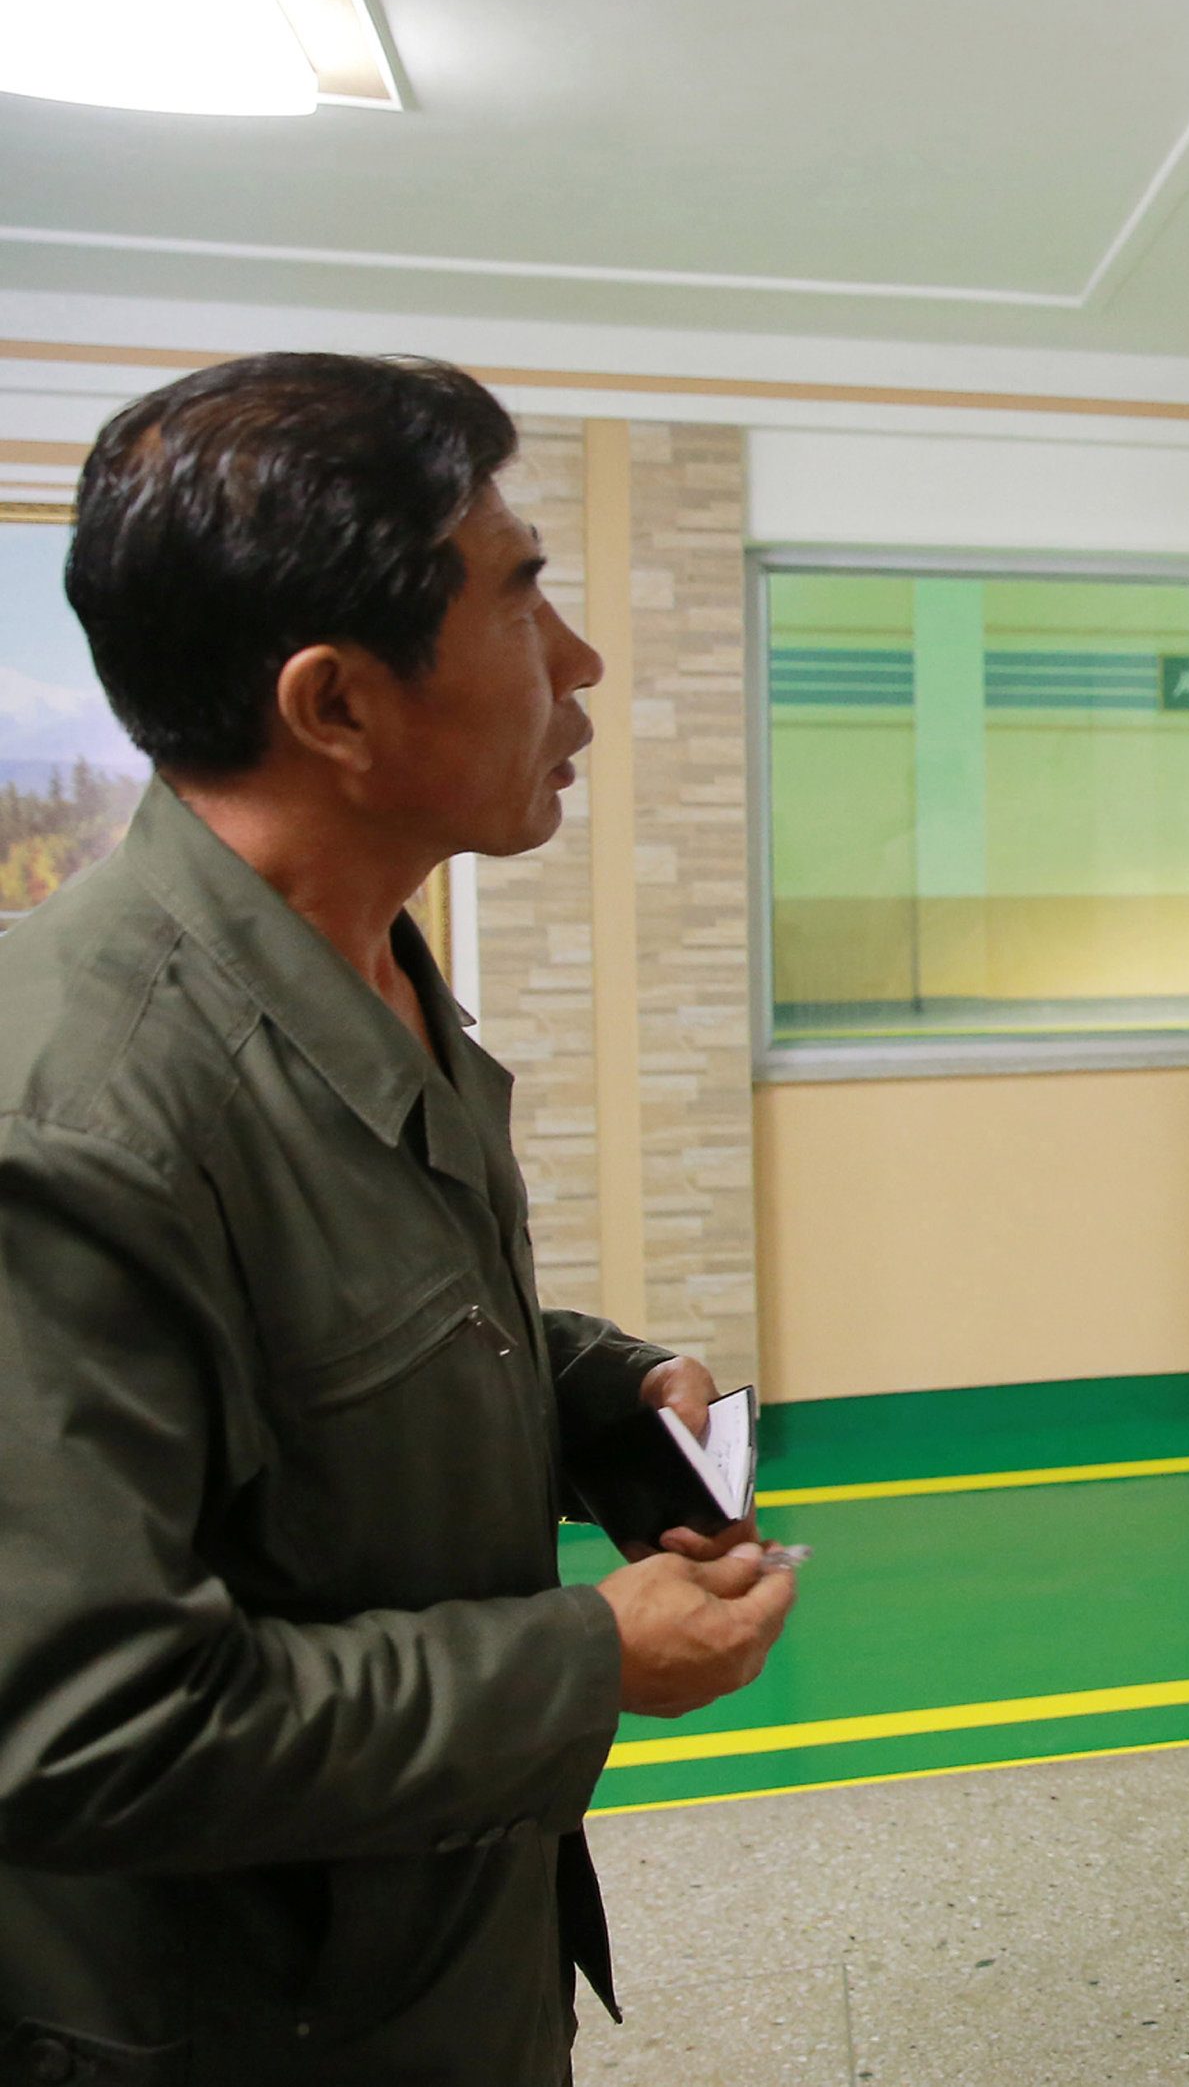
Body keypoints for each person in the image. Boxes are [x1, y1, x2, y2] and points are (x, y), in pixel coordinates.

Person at [0, 354, 799, 2084]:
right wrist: (585, 1658)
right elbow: (82, 1726)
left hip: (448, 1971)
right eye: (520, 594)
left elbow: (321, 1338)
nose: (578, 662)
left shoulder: (360, 977)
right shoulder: (75, 1116)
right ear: (338, 707)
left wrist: (596, 1391)